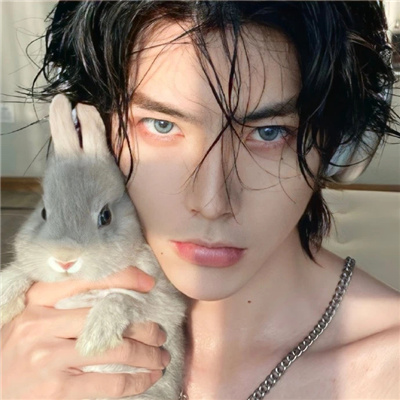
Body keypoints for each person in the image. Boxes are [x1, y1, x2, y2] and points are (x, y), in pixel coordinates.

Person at [2, 1, 400, 399]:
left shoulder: (388, 370)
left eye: (269, 132)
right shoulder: (18, 340)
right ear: (89, 134)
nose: (212, 203)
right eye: (162, 125)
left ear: (344, 146)